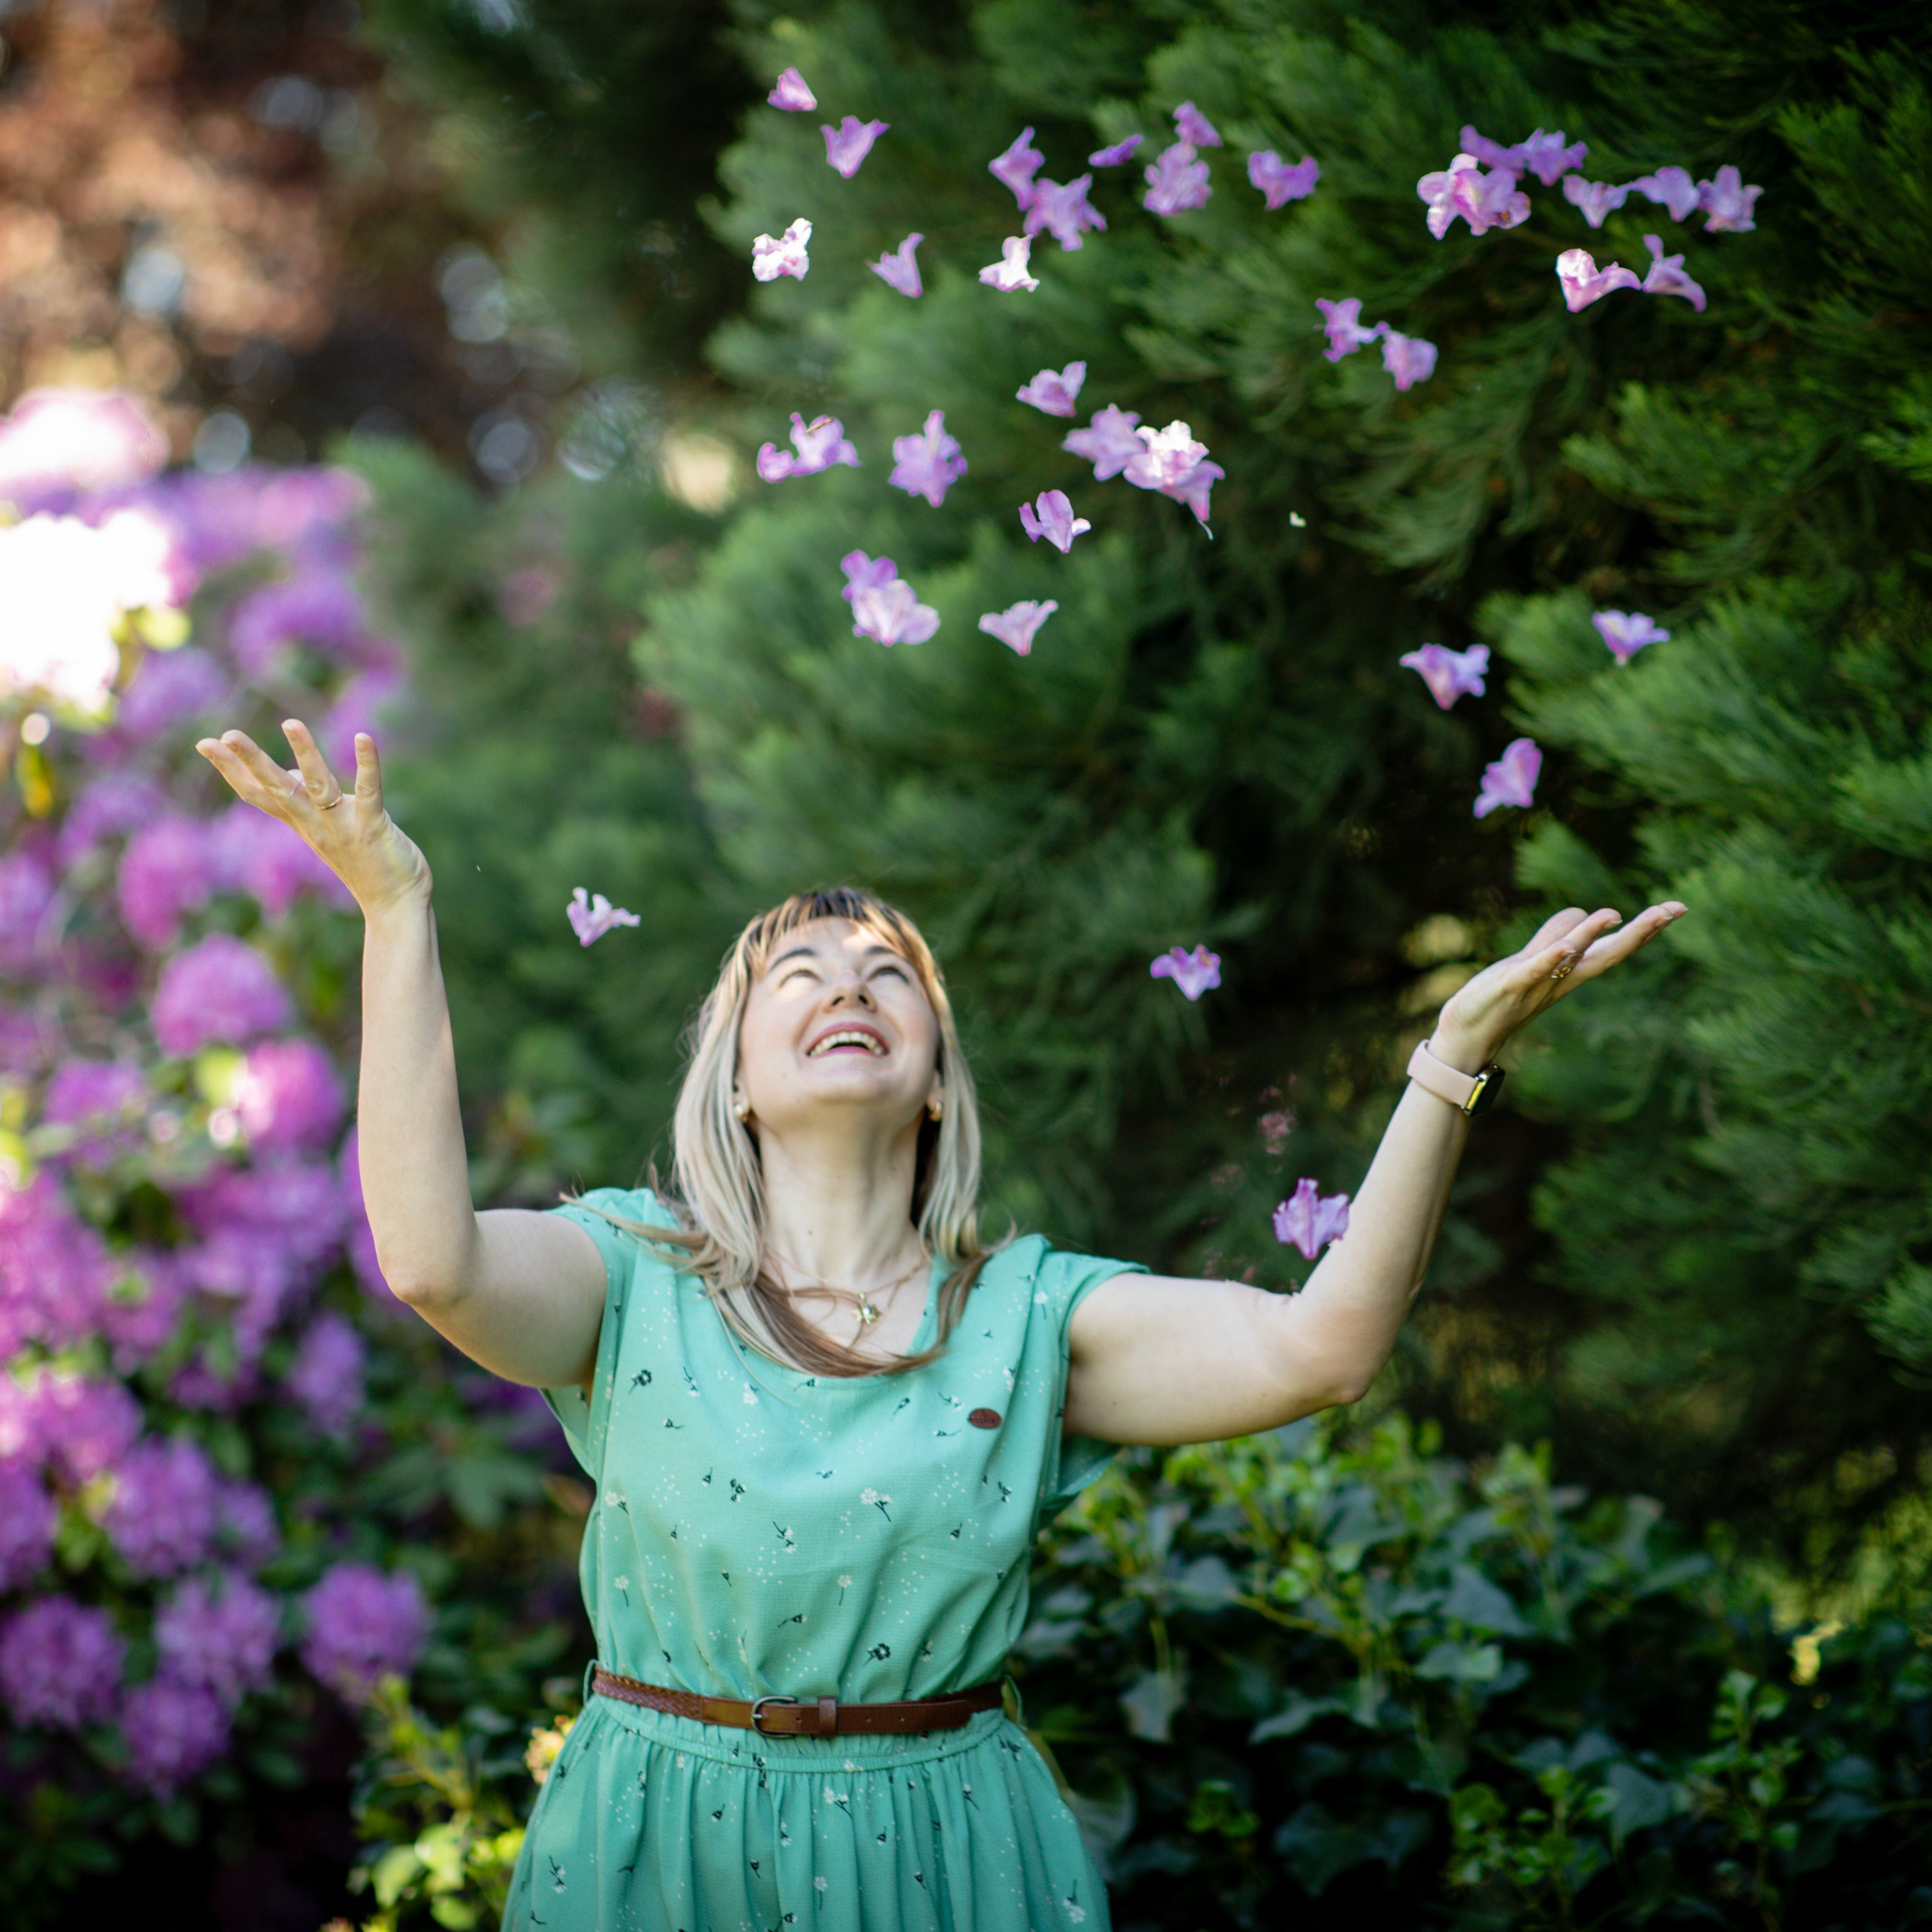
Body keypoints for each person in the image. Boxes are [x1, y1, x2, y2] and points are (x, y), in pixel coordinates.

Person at [197, 719, 1687, 1932]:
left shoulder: (1033, 1316)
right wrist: (396, 908)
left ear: (928, 1080)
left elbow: (1322, 1348)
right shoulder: (628, 1273)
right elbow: (433, 1263)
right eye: (801, 972)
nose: (848, 981)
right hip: (654, 1844)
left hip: (951, 1856)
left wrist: (1445, 1062)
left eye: (885, 975)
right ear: (733, 1081)